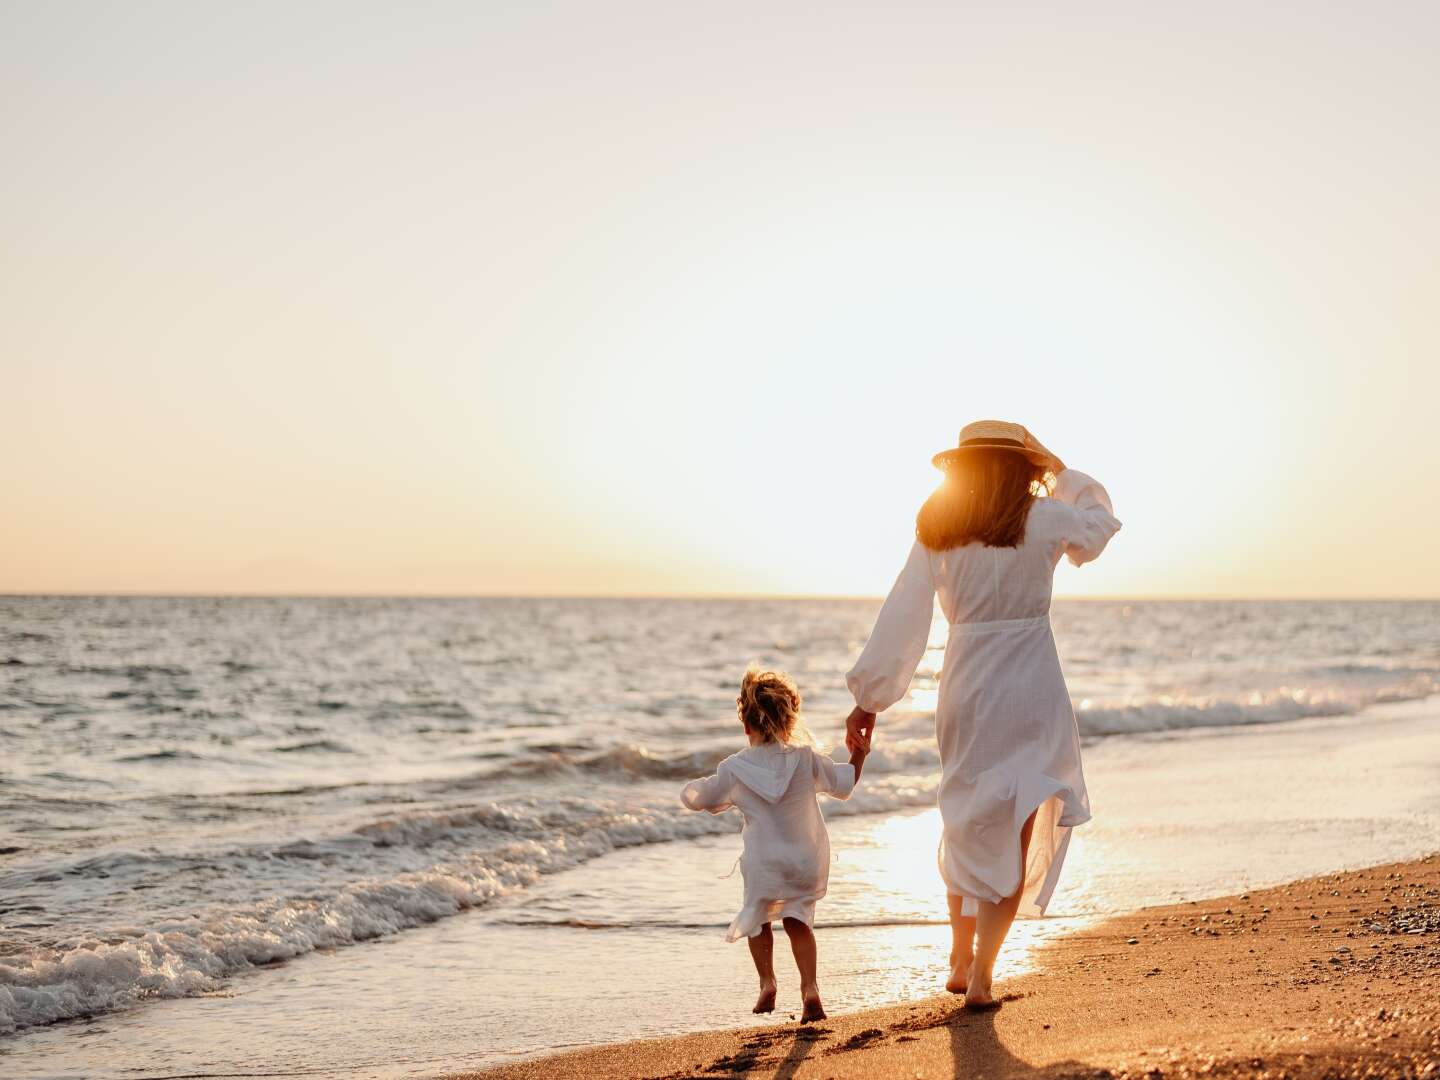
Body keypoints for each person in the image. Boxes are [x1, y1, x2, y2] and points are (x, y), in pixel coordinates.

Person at [844, 419, 1121, 1008]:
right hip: (1032, 684)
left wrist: (867, 700)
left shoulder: (938, 527)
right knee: (1017, 823)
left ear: (962, 470)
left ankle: (958, 955)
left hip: (967, 684)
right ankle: (983, 974)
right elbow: (1098, 526)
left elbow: (903, 616)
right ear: (1024, 467)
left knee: (965, 816)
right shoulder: (1045, 517)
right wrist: (1061, 469)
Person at [681, 667, 868, 1022]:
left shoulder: (735, 767)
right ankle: (810, 988)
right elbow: (846, 783)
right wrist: (860, 752)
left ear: (746, 725)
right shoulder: (804, 756)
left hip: (764, 864)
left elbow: (703, 796)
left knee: (757, 919)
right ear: (789, 720)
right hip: (804, 860)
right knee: (798, 922)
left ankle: (767, 982)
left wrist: (687, 792)